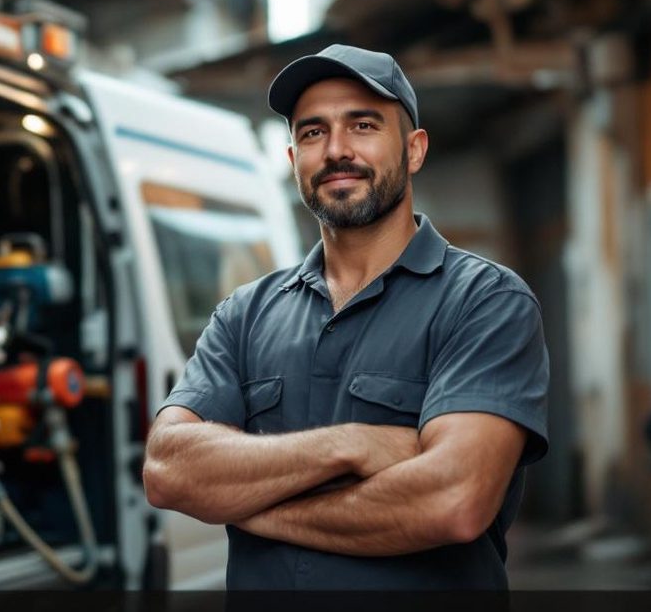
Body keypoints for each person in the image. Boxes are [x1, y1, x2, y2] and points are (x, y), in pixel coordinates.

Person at [142, 44, 549, 589]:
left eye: (363, 125)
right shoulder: (244, 314)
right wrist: (353, 445)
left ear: (413, 150)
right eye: (313, 132)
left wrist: (257, 509)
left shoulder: (484, 302)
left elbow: (454, 500)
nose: (337, 150)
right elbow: (168, 470)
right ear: (294, 160)